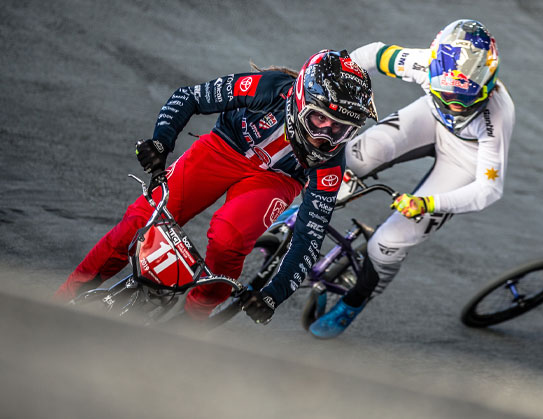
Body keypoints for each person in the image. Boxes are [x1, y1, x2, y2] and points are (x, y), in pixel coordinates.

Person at [55, 50, 377, 324]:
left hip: (277, 179)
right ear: (300, 100)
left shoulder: (331, 164)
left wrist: (273, 295)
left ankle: (193, 321)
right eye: (320, 120)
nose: (326, 137)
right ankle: (59, 302)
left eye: (340, 129)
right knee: (137, 224)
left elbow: (309, 236)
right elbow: (189, 97)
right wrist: (161, 141)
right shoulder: (267, 88)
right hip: (224, 148)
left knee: (229, 238)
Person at [309, 19, 515, 338]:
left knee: (386, 243)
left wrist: (426, 203)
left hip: (466, 158)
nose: (454, 106)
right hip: (428, 120)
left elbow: (489, 190)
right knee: (352, 156)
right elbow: (371, 56)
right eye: (446, 95)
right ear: (433, 69)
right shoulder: (424, 63)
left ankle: (354, 302)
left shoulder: (496, 115)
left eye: (465, 101)